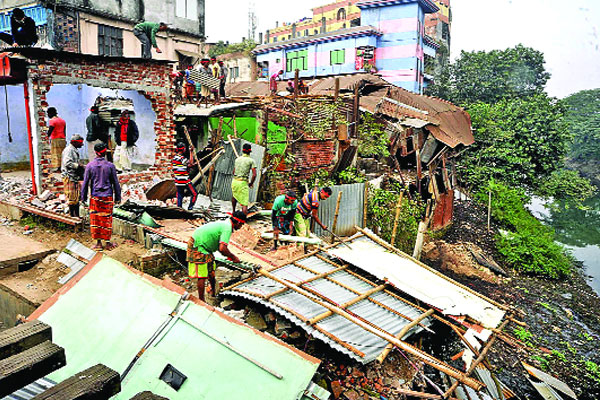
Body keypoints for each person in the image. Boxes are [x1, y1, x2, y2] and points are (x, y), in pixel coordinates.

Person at [187, 211, 246, 301]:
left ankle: (213, 292)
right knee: (202, 275)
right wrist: (233, 257)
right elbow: (222, 248)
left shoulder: (226, 224)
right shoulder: (227, 228)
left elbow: (219, 245)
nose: (241, 227)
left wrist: (229, 255)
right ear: (238, 222)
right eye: (241, 225)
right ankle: (201, 300)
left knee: (211, 270)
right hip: (198, 245)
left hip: (205, 246)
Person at [81, 143, 121, 251]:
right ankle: (107, 243)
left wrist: (83, 198)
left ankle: (98, 243)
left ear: (95, 152)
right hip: (107, 196)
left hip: (95, 196)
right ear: (104, 152)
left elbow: (85, 183)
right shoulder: (110, 166)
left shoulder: (90, 166)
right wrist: (118, 197)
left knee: (96, 220)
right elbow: (115, 183)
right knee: (106, 219)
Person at [61, 134, 85, 217]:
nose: (82, 145)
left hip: (73, 176)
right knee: (72, 198)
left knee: (76, 198)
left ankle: (76, 215)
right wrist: (79, 166)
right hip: (69, 176)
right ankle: (73, 216)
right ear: (75, 142)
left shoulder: (73, 149)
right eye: (81, 143)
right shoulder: (69, 150)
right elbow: (67, 163)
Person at [231, 143, 257, 215]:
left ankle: (233, 212)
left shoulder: (237, 160)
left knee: (234, 196)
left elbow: (234, 172)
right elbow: (254, 175)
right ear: (250, 151)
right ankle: (243, 221)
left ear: (242, 150)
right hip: (243, 183)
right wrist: (251, 183)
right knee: (245, 203)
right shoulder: (251, 161)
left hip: (235, 181)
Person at [172, 142, 198, 210]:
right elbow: (191, 163)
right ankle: (190, 208)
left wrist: (190, 165)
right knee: (194, 193)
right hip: (184, 180)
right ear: (183, 149)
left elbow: (186, 165)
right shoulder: (181, 158)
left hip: (177, 181)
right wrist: (191, 152)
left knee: (180, 195)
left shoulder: (175, 158)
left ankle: (179, 209)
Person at [47, 107, 66, 172]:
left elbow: (50, 131)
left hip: (55, 139)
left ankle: (58, 168)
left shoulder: (52, 121)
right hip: (62, 139)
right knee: (62, 154)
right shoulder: (62, 120)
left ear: (50, 113)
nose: (48, 115)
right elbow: (64, 131)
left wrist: (46, 137)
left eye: (48, 114)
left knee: (56, 154)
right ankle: (62, 167)